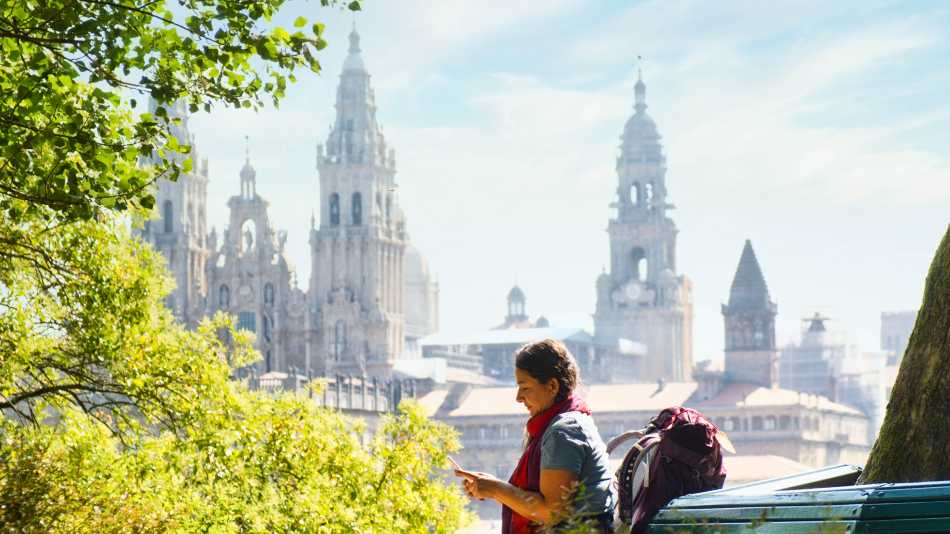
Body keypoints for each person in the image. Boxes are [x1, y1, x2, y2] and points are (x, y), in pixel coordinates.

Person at [454, 339, 616, 533]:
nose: (518, 397)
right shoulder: (568, 422)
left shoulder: (563, 431)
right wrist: (490, 487)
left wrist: (496, 489)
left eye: (525, 387)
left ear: (552, 386)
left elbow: (552, 511)